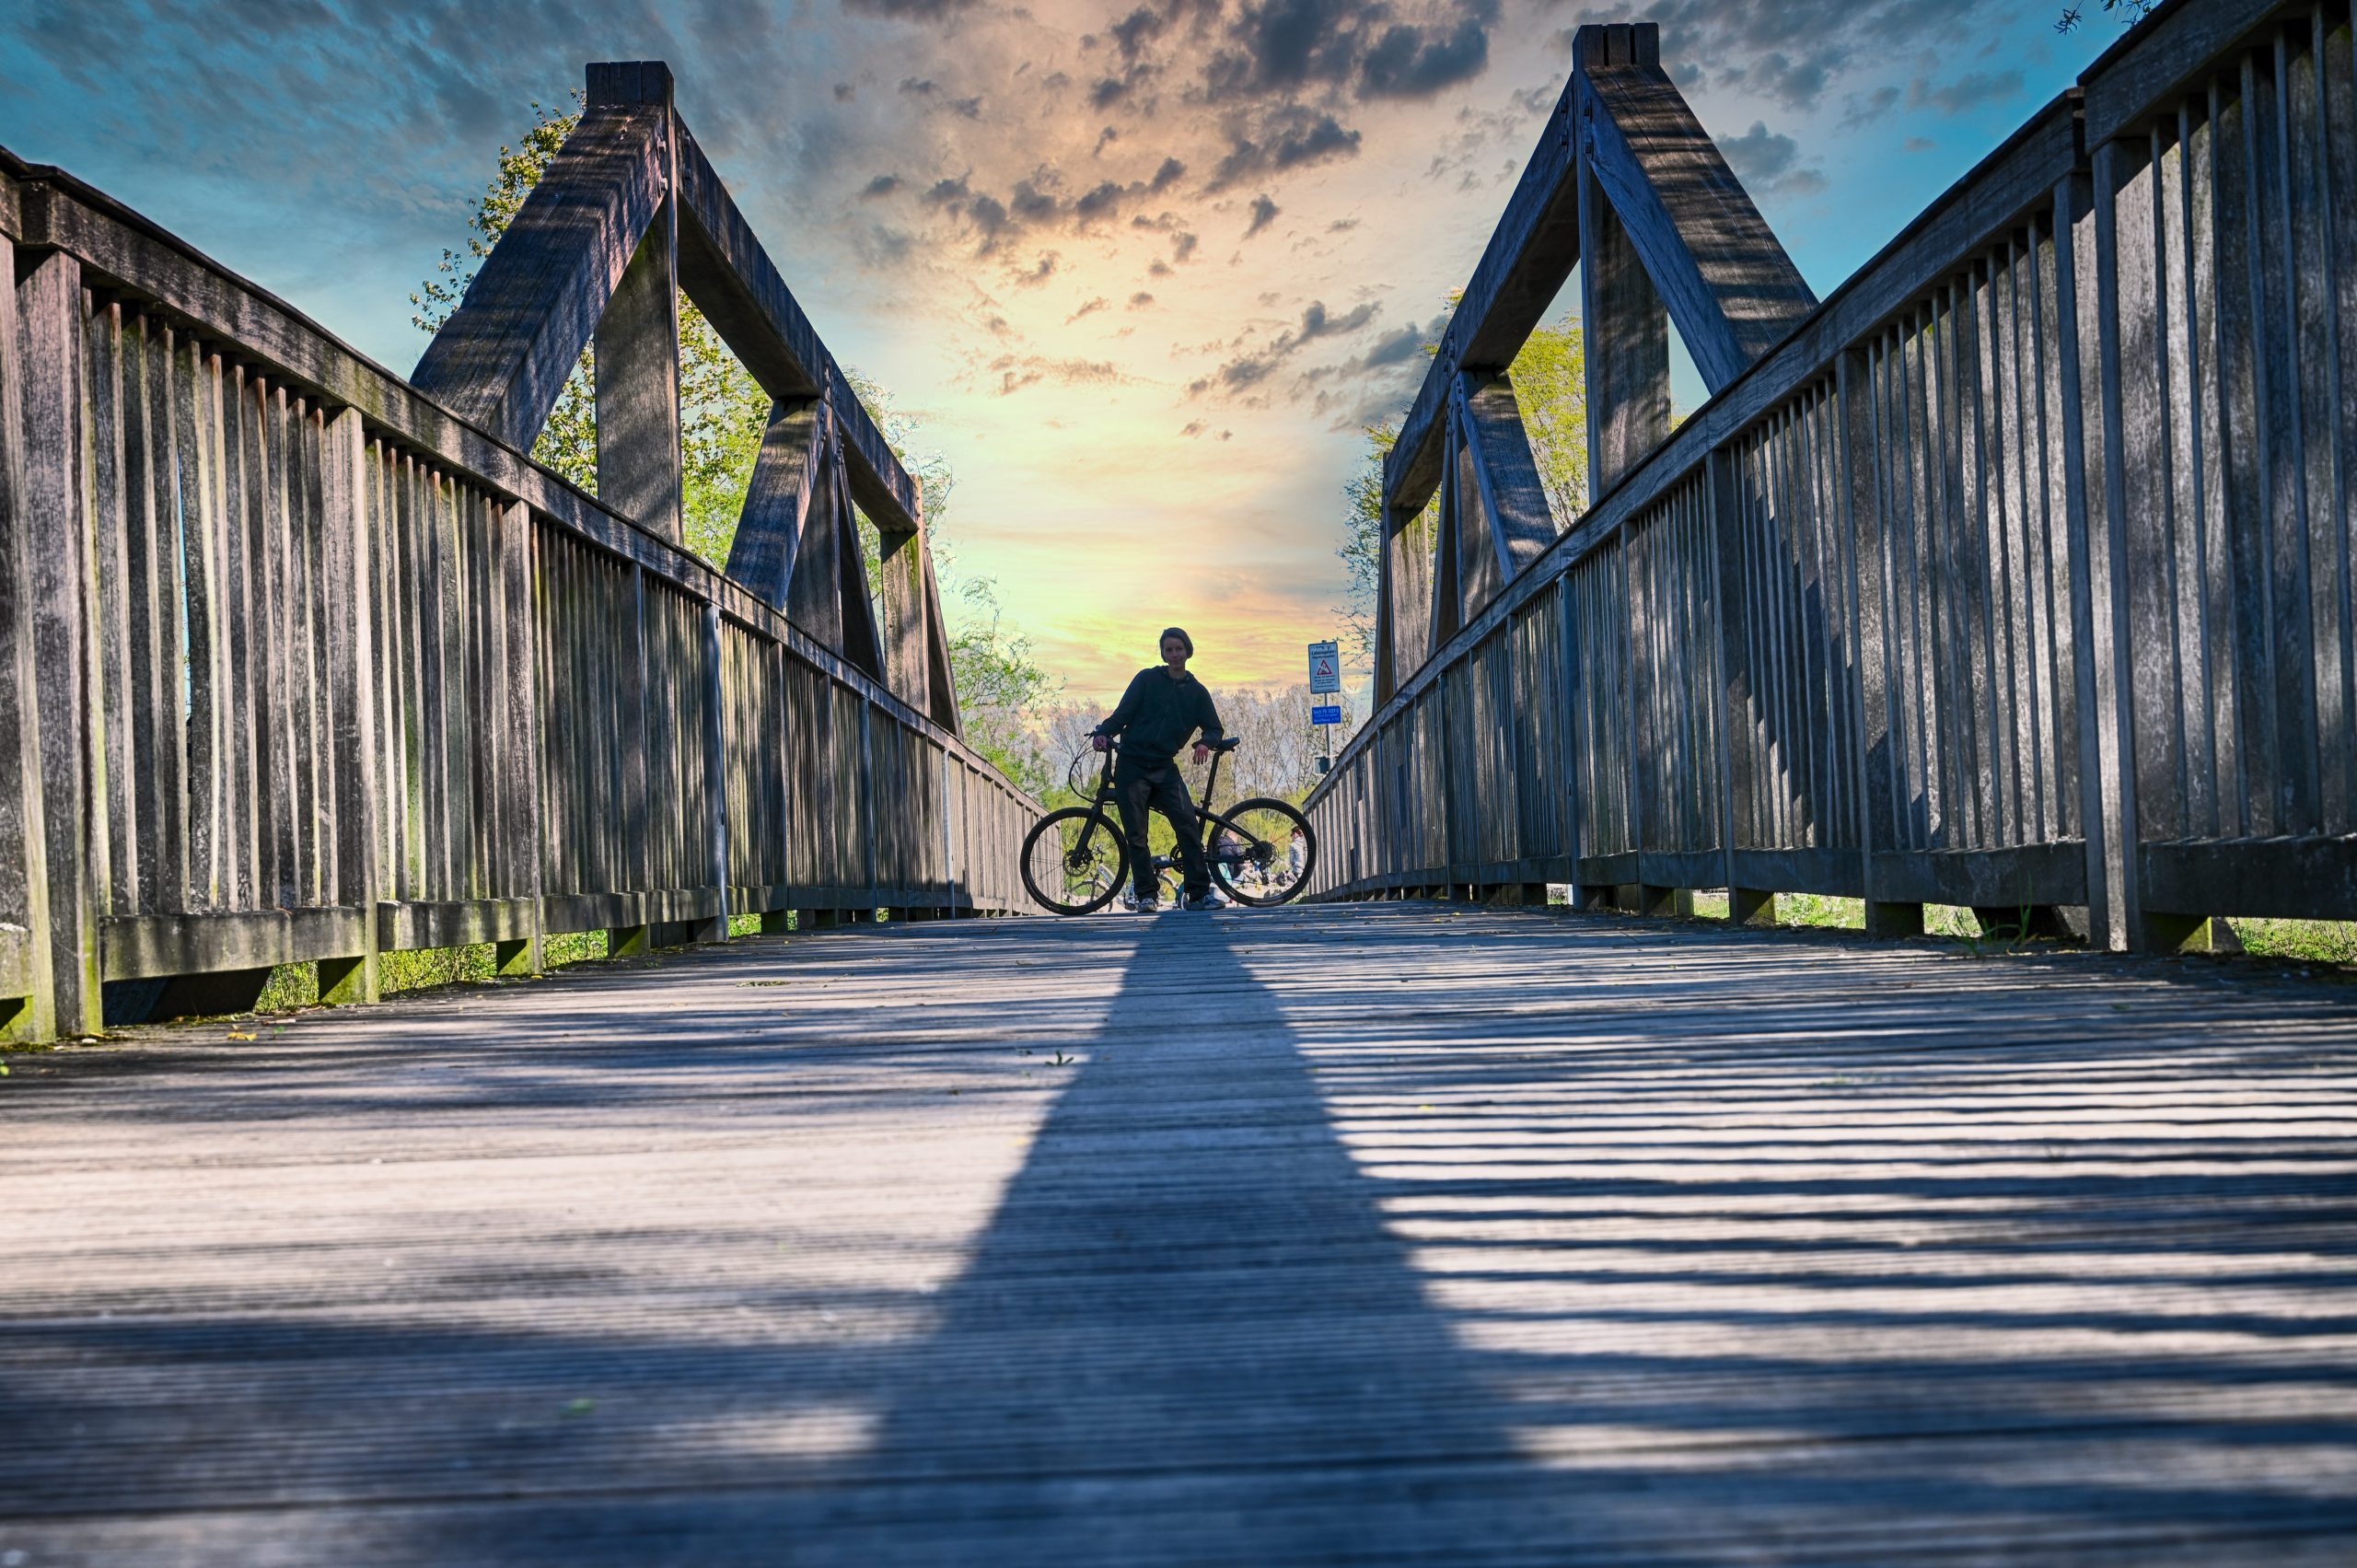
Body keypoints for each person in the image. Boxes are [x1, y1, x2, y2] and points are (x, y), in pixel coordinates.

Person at [1092, 628, 1227, 912]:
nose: (1174, 654)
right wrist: (1104, 732)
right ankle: (1146, 895)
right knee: (1136, 834)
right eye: (1169, 650)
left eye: (1179, 649)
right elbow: (1123, 714)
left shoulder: (1197, 693)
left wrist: (1204, 743)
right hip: (1132, 764)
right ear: (1163, 654)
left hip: (1165, 768)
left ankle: (1198, 894)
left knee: (1187, 824)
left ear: (1188, 651)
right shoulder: (1147, 679)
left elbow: (1214, 728)